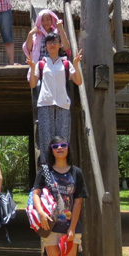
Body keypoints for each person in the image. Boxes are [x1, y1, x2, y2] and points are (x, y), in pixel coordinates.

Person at [32, 136, 88, 256]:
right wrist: (40, 212)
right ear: (52, 150)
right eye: (56, 146)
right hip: (51, 225)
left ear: (68, 148)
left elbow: (78, 201)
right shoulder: (45, 171)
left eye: (63, 145)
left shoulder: (76, 172)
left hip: (70, 226)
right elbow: (36, 194)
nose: (60, 148)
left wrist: (72, 228)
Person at [27, 33, 83, 163]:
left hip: (63, 104)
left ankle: (63, 168)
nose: (52, 45)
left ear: (60, 45)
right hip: (45, 103)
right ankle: (47, 171)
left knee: (62, 140)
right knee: (46, 138)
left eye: (55, 42)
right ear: (45, 46)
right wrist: (32, 67)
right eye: (49, 42)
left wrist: (76, 64)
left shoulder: (66, 63)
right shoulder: (41, 63)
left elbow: (78, 81)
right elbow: (33, 84)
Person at [22, 9, 70, 81]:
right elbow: (28, 49)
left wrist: (61, 29)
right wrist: (30, 34)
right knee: (38, 86)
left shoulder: (57, 33)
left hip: (55, 66)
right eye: (42, 20)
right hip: (40, 68)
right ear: (39, 21)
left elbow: (66, 47)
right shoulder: (37, 35)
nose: (45, 22)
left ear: (52, 20)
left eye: (48, 19)